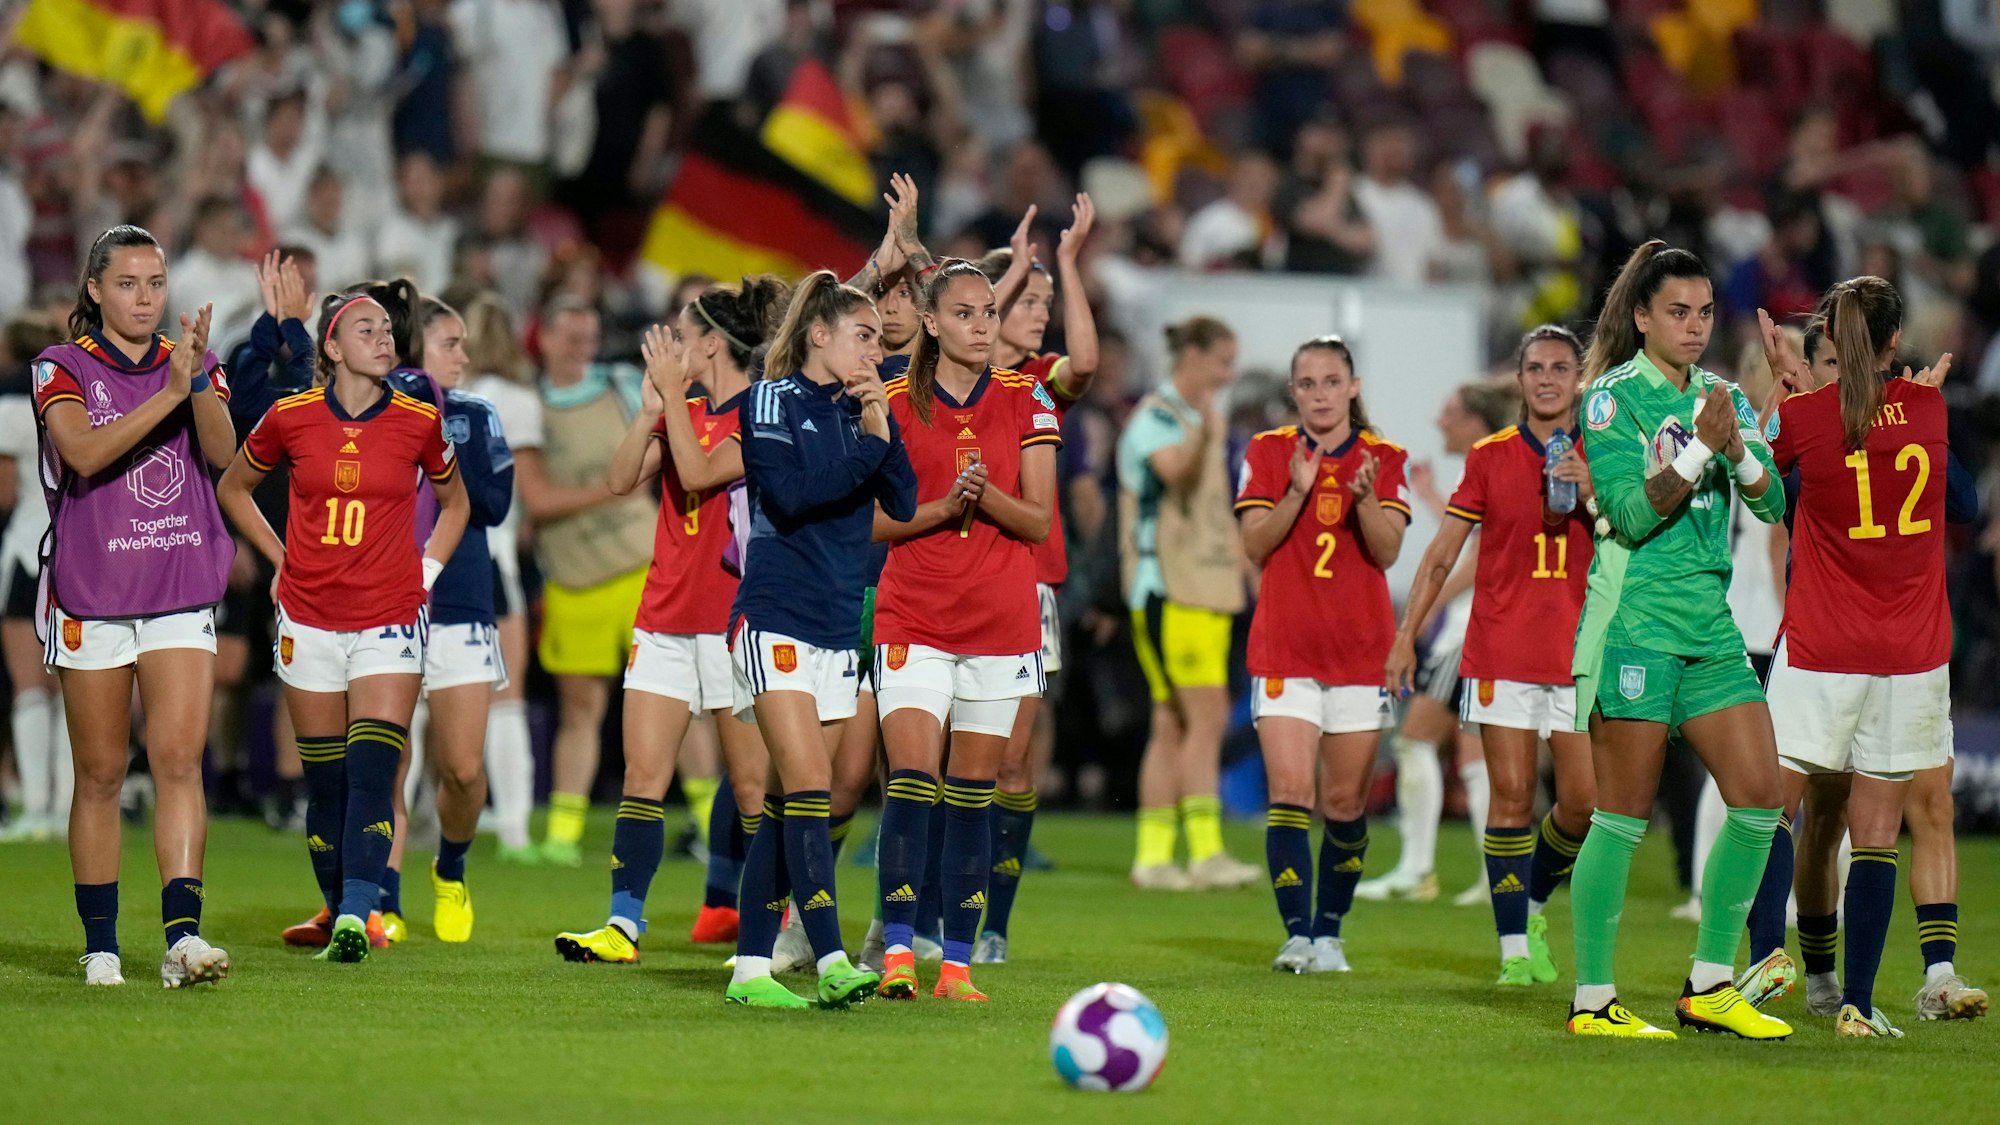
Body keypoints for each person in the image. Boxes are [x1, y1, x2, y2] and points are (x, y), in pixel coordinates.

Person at [1563, 241, 1790, 1039]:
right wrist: (1700, 448)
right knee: (1622, 815)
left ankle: (1710, 983)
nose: (1695, 327)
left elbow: (1773, 502)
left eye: (1704, 313)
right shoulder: (1610, 399)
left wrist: (1737, 449)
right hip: (1636, 625)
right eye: (1678, 313)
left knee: (1760, 799)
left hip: (1710, 628)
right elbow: (1629, 514)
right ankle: (1593, 999)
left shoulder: (1721, 396)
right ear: (1642, 317)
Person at [1755, 287, 1985, 1032]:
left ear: (1831, 337)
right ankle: (1857, 1000)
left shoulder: (1807, 417)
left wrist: (1783, 392)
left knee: (1770, 808)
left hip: (1822, 643)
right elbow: (1965, 503)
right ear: (1894, 342)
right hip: (1908, 652)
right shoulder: (1929, 409)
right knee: (1877, 831)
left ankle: (1763, 964)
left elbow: (1759, 485)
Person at [218, 287, 470, 963]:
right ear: (330, 346)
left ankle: (360, 912)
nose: (384, 337)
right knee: (326, 782)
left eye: (386, 328)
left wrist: (426, 572)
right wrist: (279, 557)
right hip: (308, 618)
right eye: (366, 328)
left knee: (372, 772)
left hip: (388, 616)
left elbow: (455, 503)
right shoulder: (291, 416)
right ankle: (339, 908)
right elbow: (232, 487)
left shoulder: (419, 420)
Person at [553, 277, 785, 964]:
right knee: (643, 778)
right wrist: (651, 409)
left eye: (681, 337)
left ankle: (776, 929)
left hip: (732, 622)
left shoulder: (759, 414)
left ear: (711, 345)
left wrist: (673, 407)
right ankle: (623, 925)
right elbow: (620, 479)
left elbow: (700, 471)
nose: (669, 348)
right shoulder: (682, 409)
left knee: (752, 788)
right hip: (663, 617)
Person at [37, 225, 238, 986]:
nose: (145, 299)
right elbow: (85, 453)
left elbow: (222, 455)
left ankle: (183, 938)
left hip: (178, 583)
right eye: (127, 284)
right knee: (100, 773)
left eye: (155, 283)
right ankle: (101, 945)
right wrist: (170, 394)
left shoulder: (192, 361)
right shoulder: (61, 366)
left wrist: (195, 381)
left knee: (180, 761)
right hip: (93, 588)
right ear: (95, 290)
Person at [871, 260, 1063, 1003]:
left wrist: (983, 498)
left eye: (989, 313)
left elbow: (1039, 521)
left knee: (973, 794)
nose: (982, 326)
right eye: (964, 313)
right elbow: (872, 522)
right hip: (913, 615)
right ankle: (896, 952)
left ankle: (956, 966)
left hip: (1000, 623)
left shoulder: (1027, 397)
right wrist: (945, 508)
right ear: (929, 321)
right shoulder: (891, 400)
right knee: (912, 781)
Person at [725, 271, 914, 1009]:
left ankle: (749, 970)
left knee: (788, 803)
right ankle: (832, 956)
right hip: (776, 615)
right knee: (808, 786)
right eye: (864, 336)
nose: (876, 351)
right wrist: (870, 446)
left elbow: (902, 500)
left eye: (879, 339)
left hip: (837, 626)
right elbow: (792, 495)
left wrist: (880, 421)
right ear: (819, 335)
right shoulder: (771, 399)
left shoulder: (860, 411)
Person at [1387, 326, 1598, 986]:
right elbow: (1442, 552)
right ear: (1521, 378)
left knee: (1583, 803)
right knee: (1510, 796)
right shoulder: (1490, 457)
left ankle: (1528, 903)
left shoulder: (1604, 451)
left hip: (1579, 652)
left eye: (1559, 368)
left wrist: (1593, 490)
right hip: (1502, 649)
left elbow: (1638, 530)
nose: (1547, 379)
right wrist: (1406, 633)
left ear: (1577, 379)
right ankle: (1513, 948)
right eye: (1535, 368)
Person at [1237, 336, 1410, 974]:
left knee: (1344, 804)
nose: (1320, 395)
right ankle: (1297, 935)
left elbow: (1388, 551)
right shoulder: (1268, 451)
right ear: (1293, 392)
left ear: (1353, 387)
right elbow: (1254, 545)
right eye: (1307, 384)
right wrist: (1295, 492)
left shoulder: (1385, 458)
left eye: (1331, 382)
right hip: (1285, 650)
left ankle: (1330, 932)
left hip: (1361, 656)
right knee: (1290, 792)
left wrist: (1363, 499)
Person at [971, 194, 1097, 965]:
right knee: (940, 759)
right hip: (948, 578)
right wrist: (1014, 269)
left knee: (1012, 761)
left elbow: (1086, 364)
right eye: (1030, 299)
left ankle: (993, 922)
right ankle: (913, 912)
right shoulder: (953, 377)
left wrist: (1068, 264)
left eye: (1048, 302)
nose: (1042, 312)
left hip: (1028, 585)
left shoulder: (1042, 385)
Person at [1359, 378, 1517, 906]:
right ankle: (1497, 879)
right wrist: (1430, 498)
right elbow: (1478, 534)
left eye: (1450, 411)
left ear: (1476, 421)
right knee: (1475, 755)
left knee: (1416, 739)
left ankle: (1419, 870)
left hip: (1469, 631)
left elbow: (1479, 556)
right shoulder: (1503, 462)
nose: (1439, 421)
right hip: (1487, 629)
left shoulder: (1494, 462)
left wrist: (1423, 610)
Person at [1116, 316, 1260, 891]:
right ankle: (1204, 852)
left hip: (1200, 585)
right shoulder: (1157, 417)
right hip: (1167, 586)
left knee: (1173, 722)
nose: (1228, 375)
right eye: (1222, 361)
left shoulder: (1193, 417)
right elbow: (1175, 474)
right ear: (1193, 356)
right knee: (1206, 716)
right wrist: (1206, 431)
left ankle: (1153, 858)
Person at [395, 295, 514, 943]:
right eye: (450, 342)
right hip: (386, 601)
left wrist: (435, 438)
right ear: (415, 349)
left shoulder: (475, 413)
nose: (464, 355)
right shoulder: (375, 413)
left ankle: (451, 868)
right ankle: (382, 897)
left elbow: (494, 503)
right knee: (389, 763)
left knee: (463, 768)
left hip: (460, 600)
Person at [526, 298, 656, 866]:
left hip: (643, 569)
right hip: (574, 578)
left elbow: (661, 452)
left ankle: (708, 828)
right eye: (571, 338)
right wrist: (613, 488)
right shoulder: (526, 405)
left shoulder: (623, 384)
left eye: (589, 338)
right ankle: (562, 836)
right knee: (580, 710)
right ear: (544, 338)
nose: (582, 349)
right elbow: (536, 501)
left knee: (678, 703)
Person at [461, 294, 538, 863]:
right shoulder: (517, 400)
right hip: (493, 556)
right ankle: (514, 826)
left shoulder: (427, 396)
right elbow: (526, 491)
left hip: (431, 555)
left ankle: (406, 817)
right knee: (507, 698)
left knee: (420, 699)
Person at [0, 316, 70, 844]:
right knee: (74, 687)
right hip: (80, 549)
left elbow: (4, 493)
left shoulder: (10, 410)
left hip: (28, 551)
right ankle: (69, 808)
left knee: (29, 688)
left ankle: (38, 808)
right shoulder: (82, 399)